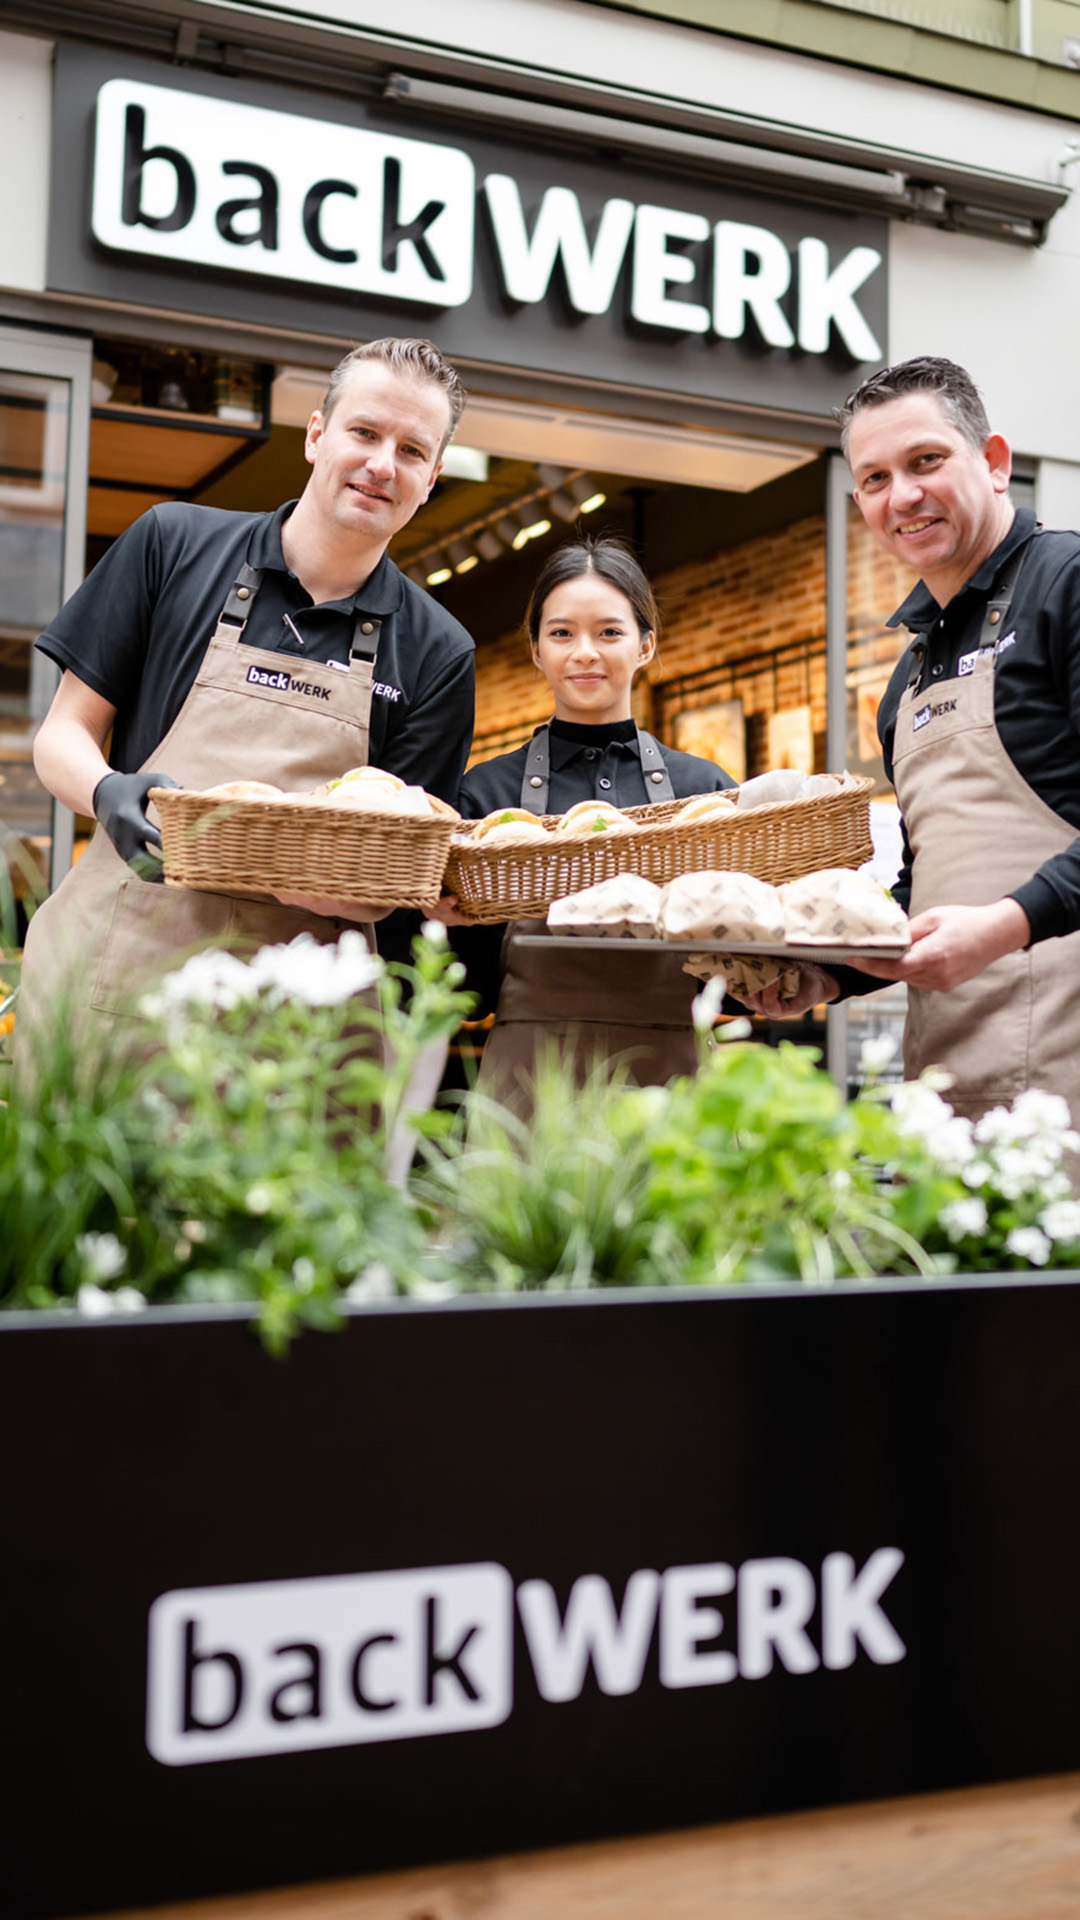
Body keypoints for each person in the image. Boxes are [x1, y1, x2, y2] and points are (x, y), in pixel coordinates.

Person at [18, 336, 475, 1060]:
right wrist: (109, 791)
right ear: (317, 434)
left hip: (298, 1032)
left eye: (412, 451)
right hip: (114, 982)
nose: (383, 464)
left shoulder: (438, 651)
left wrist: (286, 868)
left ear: (433, 475)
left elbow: (395, 877)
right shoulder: (173, 545)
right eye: (363, 432)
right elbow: (61, 736)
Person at [738, 355, 1080, 1134]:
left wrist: (1005, 927)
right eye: (876, 478)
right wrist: (827, 976)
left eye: (926, 461)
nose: (905, 496)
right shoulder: (906, 680)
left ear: (994, 463)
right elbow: (924, 891)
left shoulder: (1067, 583)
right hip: (951, 1075)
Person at [436, 536, 736, 1105]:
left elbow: (738, 973)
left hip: (671, 1077)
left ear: (646, 646)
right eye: (562, 633)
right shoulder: (485, 795)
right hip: (528, 1081)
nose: (585, 652)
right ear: (536, 649)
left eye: (609, 632)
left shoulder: (706, 794)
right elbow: (466, 989)